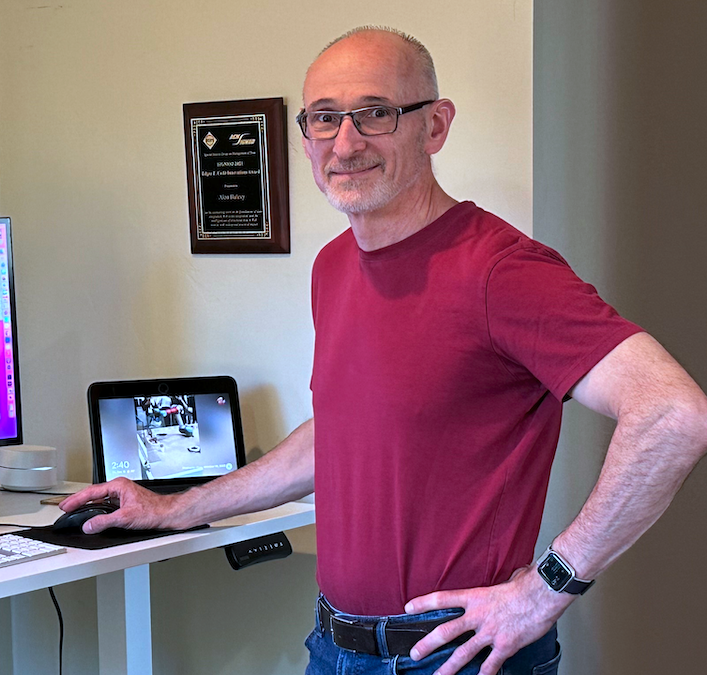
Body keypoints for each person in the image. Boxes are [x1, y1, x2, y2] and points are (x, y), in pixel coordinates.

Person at [60, 26, 707, 675]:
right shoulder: (334, 266)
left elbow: (673, 414)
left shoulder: (501, 270)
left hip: (451, 655)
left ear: (435, 126)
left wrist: (546, 589)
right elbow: (338, 435)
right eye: (324, 118)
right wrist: (171, 507)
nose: (345, 143)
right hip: (334, 645)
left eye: (374, 114)